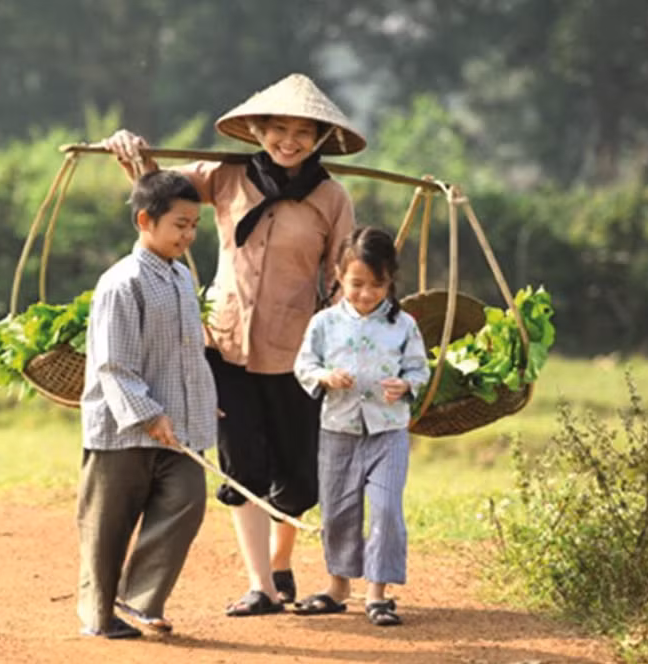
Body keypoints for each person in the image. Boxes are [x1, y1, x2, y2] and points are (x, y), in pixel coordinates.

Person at [103, 73, 366, 616]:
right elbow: (160, 190)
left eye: (301, 133)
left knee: (297, 473)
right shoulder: (225, 177)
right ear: (258, 130)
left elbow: (344, 274)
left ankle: (281, 561)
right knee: (240, 462)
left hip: (298, 353)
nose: (287, 142)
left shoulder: (331, 197)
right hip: (224, 346)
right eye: (277, 130)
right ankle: (261, 586)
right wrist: (131, 150)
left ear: (318, 138)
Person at [76, 170, 217, 638]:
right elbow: (113, 365)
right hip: (121, 432)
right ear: (145, 220)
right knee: (108, 527)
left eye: (194, 225)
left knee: (188, 500)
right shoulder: (122, 283)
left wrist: (201, 403)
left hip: (175, 431)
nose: (189, 235)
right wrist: (148, 414)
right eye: (180, 224)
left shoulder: (180, 279)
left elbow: (186, 353)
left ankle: (139, 600)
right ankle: (98, 617)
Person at [290, 226, 430, 627]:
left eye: (376, 285)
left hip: (389, 431)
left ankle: (378, 594)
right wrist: (325, 377)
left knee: (386, 509)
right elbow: (304, 365)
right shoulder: (324, 323)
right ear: (338, 274)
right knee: (338, 510)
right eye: (356, 284)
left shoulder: (404, 325)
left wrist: (406, 385)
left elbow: (420, 370)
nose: (366, 294)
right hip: (338, 428)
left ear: (390, 281)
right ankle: (337, 587)